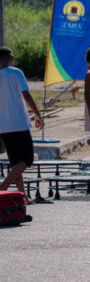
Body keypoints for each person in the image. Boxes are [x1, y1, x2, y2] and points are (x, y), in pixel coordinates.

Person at [0, 47, 44, 198]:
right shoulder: (15, 72)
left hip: (3, 126)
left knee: (15, 163)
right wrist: (37, 114)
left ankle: (23, 196)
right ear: (12, 59)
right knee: (26, 159)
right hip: (19, 123)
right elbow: (26, 94)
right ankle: (4, 185)